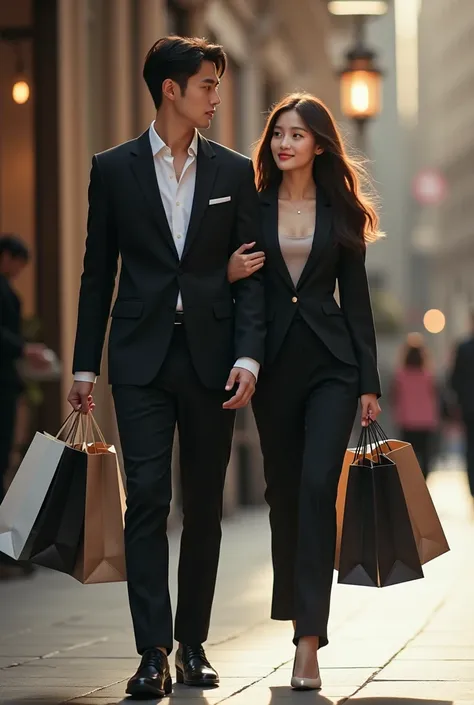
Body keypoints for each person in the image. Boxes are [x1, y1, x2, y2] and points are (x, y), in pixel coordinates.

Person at [67, 36, 265, 699]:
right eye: (208, 84)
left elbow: (251, 280)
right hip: (140, 357)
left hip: (212, 359)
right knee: (148, 498)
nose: (217, 96)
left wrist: (247, 354)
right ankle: (151, 649)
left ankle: (193, 642)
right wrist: (83, 369)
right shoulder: (114, 168)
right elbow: (99, 276)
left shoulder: (235, 173)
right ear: (172, 90)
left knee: (204, 504)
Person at [227, 93, 381, 690]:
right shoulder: (253, 205)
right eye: (277, 134)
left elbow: (359, 305)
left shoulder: (341, 212)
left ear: (319, 143)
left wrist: (369, 382)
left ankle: (307, 642)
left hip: (332, 367)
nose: (284, 144)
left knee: (319, 487)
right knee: (285, 494)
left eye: (296, 134)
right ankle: (295, 606)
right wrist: (227, 276)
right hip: (274, 367)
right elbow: (240, 286)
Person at [0, 234, 49, 579]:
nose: (19, 271)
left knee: (4, 461)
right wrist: (23, 349)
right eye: (18, 262)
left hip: (7, 383)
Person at [391, 333, 440, 478]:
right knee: (425, 455)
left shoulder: (400, 376)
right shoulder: (428, 376)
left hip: (407, 421)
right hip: (426, 421)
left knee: (407, 456)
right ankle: (423, 480)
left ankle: (410, 481)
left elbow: (394, 397)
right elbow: (434, 395)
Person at [450, 309, 474, 498]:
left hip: (469, 407)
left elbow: (454, 380)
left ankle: (473, 486)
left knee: (470, 448)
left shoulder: (464, 348)